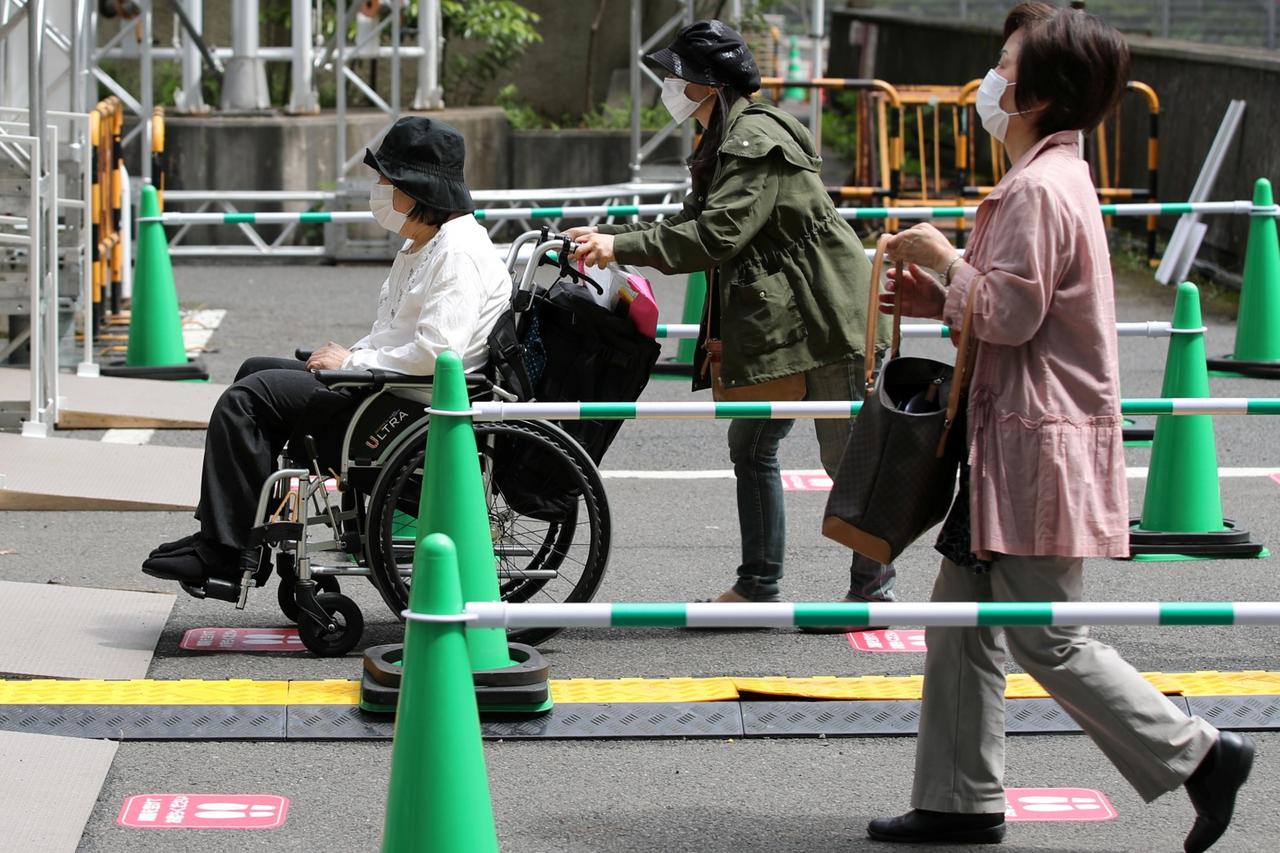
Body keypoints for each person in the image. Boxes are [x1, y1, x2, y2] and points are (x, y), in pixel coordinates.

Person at [867, 6, 1253, 850]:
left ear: (1039, 94)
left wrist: (941, 262)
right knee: (961, 628)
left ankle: (1202, 754)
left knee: (1049, 635)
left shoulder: (1041, 187)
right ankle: (958, 801)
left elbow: (1009, 310)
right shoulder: (1048, 178)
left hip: (1038, 446)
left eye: (1004, 65)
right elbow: (1016, 310)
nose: (991, 79)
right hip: (1015, 443)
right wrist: (946, 300)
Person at [571, 19, 893, 616]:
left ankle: (871, 588)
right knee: (751, 444)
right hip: (782, 318)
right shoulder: (719, 135)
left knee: (844, 457)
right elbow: (694, 225)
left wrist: (620, 247)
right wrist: (614, 239)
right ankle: (757, 584)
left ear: (708, 85)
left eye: (676, 78)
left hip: (828, 316)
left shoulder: (753, 137)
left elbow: (718, 234)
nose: (667, 86)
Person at [142, 116, 512, 589]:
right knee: (254, 370)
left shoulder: (457, 255)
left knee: (249, 400)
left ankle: (226, 551)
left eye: (386, 182)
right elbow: (400, 335)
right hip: (391, 391)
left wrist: (351, 365)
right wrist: (351, 356)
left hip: (408, 409)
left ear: (415, 191)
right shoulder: (427, 243)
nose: (378, 191)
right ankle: (233, 536)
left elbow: (438, 356)